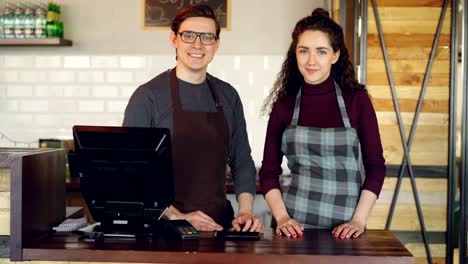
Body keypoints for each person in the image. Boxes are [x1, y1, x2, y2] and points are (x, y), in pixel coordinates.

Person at [123, 4, 263, 233]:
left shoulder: (228, 95)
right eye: (188, 35)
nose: (197, 45)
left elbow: (242, 161)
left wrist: (245, 211)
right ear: (173, 39)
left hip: (219, 226)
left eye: (207, 37)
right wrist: (178, 217)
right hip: (165, 228)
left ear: (216, 44)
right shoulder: (148, 97)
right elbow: (132, 172)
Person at [259, 8, 386, 239]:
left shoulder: (356, 101)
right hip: (295, 229)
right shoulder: (284, 105)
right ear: (295, 54)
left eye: (321, 51)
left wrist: (358, 220)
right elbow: (268, 172)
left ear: (335, 55)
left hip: (348, 231)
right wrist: (283, 217)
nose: (311, 61)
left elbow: (376, 166)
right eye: (304, 51)